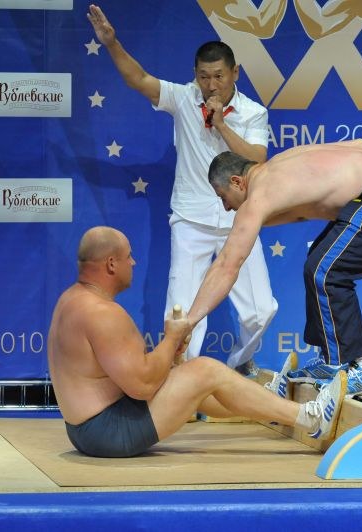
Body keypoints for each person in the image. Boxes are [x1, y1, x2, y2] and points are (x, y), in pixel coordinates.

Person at [86, 5, 278, 375]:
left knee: (261, 310)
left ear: (234, 73)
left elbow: (257, 158)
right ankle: (181, 382)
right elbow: (138, 78)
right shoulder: (182, 97)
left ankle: (240, 365)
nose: (211, 85)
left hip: (241, 219)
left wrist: (221, 124)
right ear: (195, 76)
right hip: (190, 221)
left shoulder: (253, 113)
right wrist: (111, 44)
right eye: (204, 77)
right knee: (183, 311)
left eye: (219, 76)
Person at [46, 226, 346, 458]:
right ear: (112, 264)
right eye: (129, 256)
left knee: (194, 382)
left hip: (88, 429)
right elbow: (143, 385)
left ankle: (270, 402)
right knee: (204, 370)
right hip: (106, 432)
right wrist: (172, 338)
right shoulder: (101, 313)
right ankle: (311, 419)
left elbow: (127, 373)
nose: (133, 262)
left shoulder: (72, 300)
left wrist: (168, 351)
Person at [186, 140, 362, 400]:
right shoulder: (280, 167)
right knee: (317, 261)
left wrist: (189, 322)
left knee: (326, 271)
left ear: (237, 181)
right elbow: (360, 144)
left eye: (223, 197)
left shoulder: (261, 192)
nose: (226, 207)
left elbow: (226, 265)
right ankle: (330, 359)